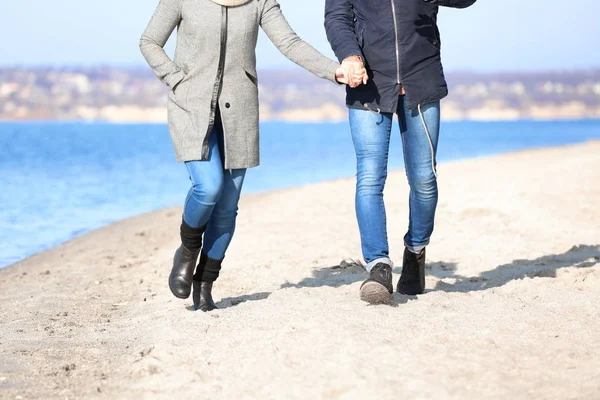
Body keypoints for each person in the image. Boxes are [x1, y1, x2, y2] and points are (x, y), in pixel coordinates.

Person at [140, 0, 363, 311]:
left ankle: (205, 285)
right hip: (190, 108)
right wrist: (176, 78)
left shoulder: (260, 2)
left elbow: (290, 43)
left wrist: (334, 72)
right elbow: (149, 41)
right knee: (208, 187)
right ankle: (188, 249)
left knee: (227, 207)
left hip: (239, 111)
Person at [325, 0, 477, 304]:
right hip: (369, 82)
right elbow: (336, 18)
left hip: (421, 77)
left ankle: (416, 250)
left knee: (423, 179)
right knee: (369, 177)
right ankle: (378, 266)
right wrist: (350, 56)